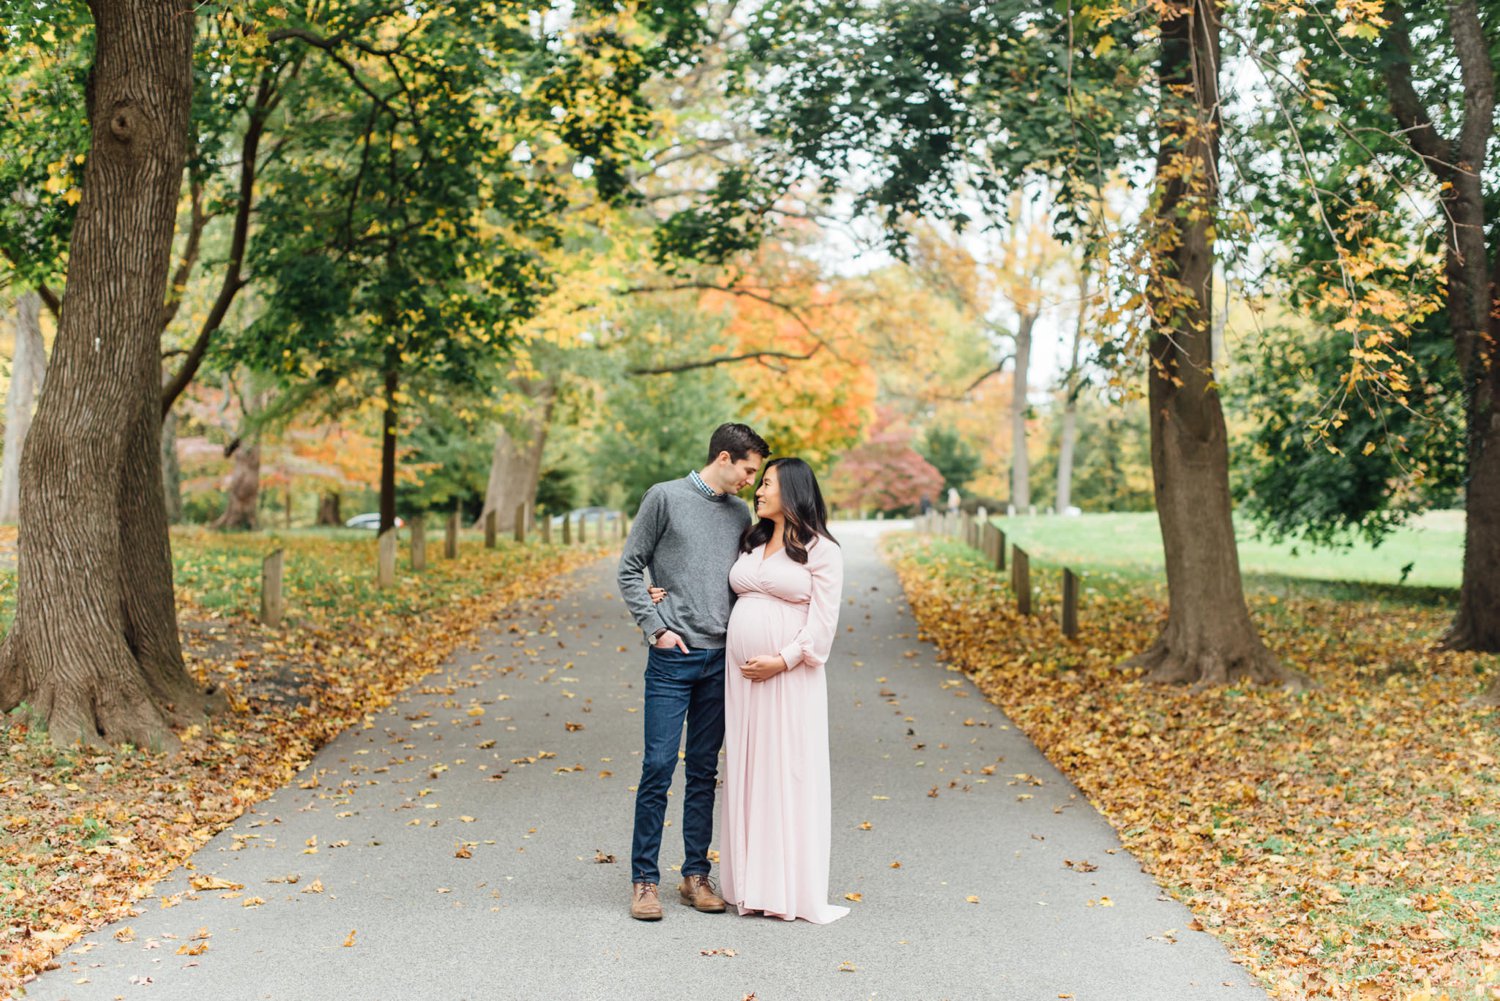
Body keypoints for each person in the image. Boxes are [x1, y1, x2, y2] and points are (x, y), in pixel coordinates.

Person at [650, 458, 848, 923]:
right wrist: (661, 592)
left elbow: (824, 625)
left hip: (788, 678)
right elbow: (703, 578)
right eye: (758, 481)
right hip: (740, 679)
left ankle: (786, 886)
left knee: (786, 771)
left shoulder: (822, 550)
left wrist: (783, 659)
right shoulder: (752, 538)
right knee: (747, 772)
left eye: (768, 483)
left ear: (795, 491)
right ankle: (751, 883)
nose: (757, 490)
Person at [616, 422, 769, 921]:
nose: (752, 479)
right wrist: (656, 626)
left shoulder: (740, 513)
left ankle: (695, 876)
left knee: (704, 770)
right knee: (658, 767)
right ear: (724, 458)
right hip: (672, 657)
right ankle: (644, 882)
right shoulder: (663, 498)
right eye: (748, 469)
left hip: (720, 659)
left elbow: (750, 578)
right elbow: (630, 568)